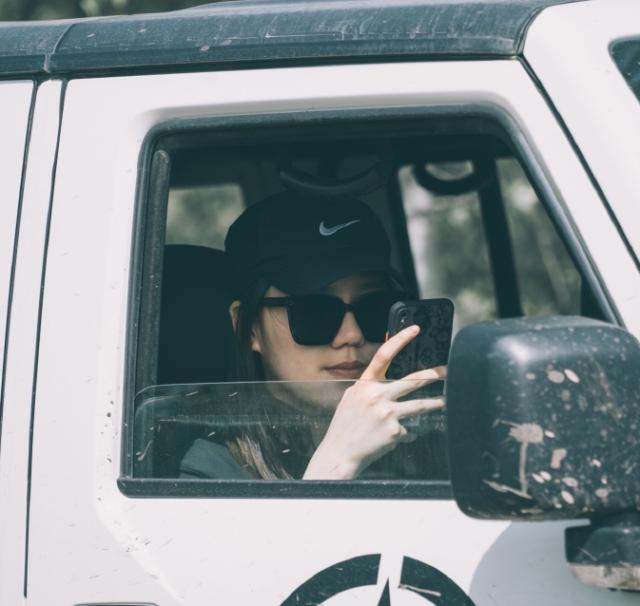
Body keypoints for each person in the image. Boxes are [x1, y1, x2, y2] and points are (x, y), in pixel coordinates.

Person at [179, 191, 445, 480]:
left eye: (374, 308)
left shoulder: (427, 442)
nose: (351, 335)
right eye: (314, 312)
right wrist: (339, 462)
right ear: (249, 327)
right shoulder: (210, 472)